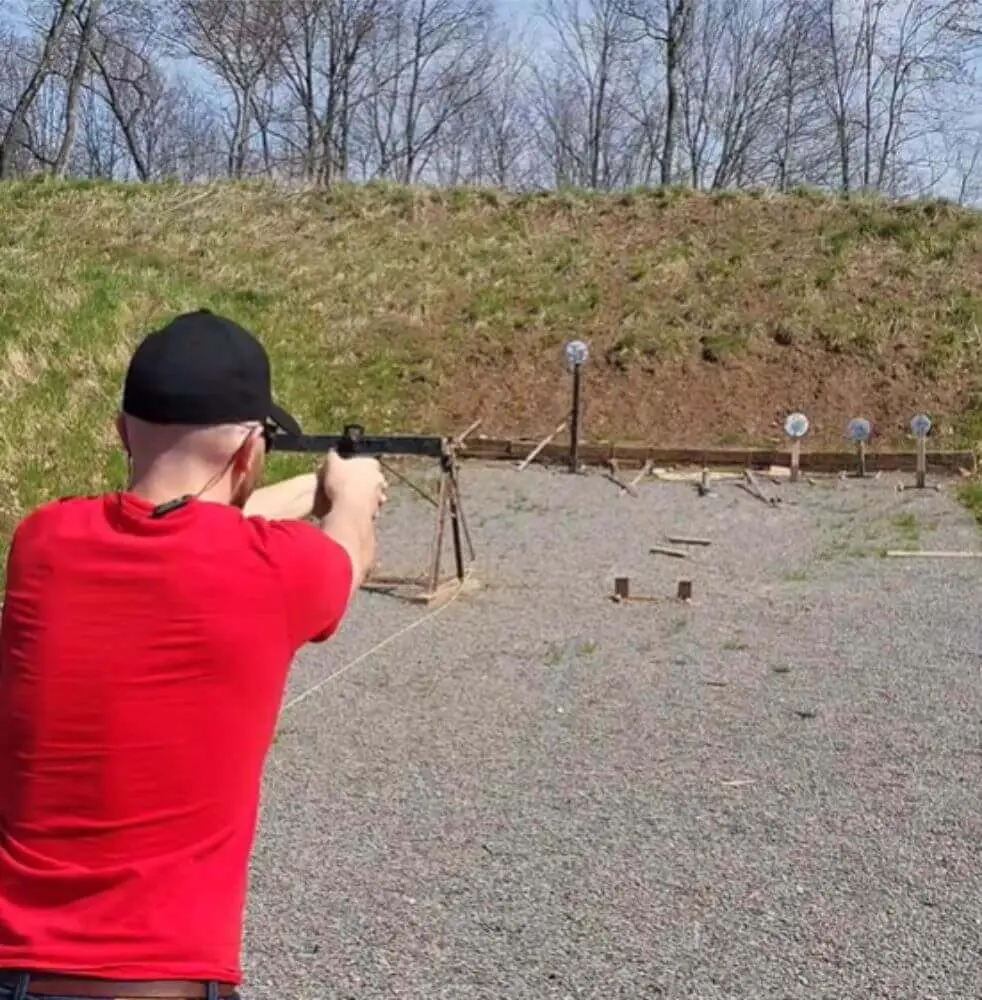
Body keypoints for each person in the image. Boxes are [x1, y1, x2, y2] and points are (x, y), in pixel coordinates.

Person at [0, 309, 387, 1000]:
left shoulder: (43, 544)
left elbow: (183, 531)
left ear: (122, 432)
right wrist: (350, 493)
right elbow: (347, 550)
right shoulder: (280, 569)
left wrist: (303, 492)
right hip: (166, 978)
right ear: (248, 453)